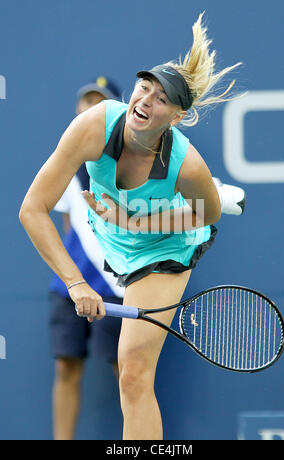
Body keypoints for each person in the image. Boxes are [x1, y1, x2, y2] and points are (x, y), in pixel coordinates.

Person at [20, 13, 244, 440]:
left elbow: (207, 216)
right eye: (145, 87)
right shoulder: (94, 125)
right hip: (114, 234)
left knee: (132, 374)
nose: (146, 100)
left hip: (166, 246)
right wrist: (76, 283)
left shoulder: (186, 162)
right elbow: (32, 209)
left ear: (176, 117)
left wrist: (136, 218)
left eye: (162, 99)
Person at [49, 76, 124, 441]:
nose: (91, 109)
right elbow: (67, 224)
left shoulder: (128, 164)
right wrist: (72, 277)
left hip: (115, 285)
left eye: (101, 103)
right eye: (86, 102)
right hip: (70, 286)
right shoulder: (65, 161)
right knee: (66, 366)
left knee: (129, 374)